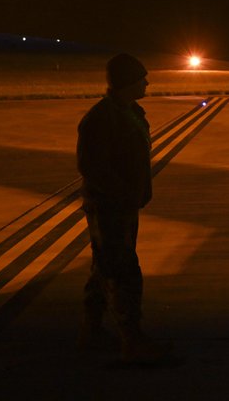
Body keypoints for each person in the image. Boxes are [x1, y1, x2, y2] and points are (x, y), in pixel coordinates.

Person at [76, 53, 169, 363]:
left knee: (104, 266)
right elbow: (93, 168)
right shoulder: (101, 119)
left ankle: (93, 332)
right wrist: (125, 194)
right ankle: (131, 339)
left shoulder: (130, 112)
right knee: (124, 271)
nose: (147, 82)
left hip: (123, 206)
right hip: (109, 207)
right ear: (126, 82)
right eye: (141, 78)